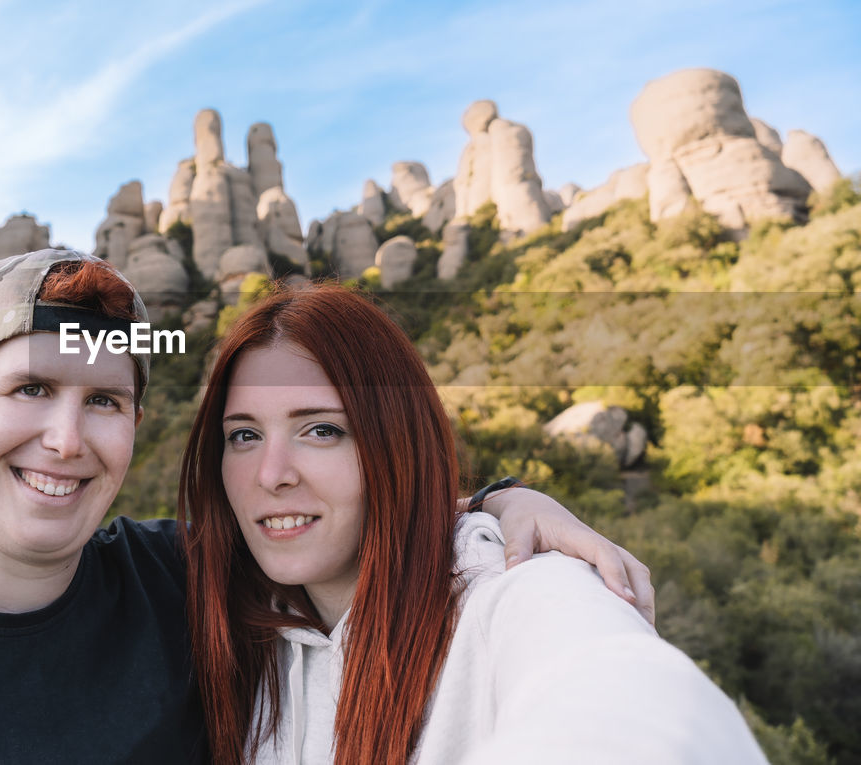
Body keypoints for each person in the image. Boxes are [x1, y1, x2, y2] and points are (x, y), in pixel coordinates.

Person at [0, 249, 654, 763]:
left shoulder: (178, 576)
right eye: (31, 391)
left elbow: (329, 505)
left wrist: (506, 498)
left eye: (104, 401)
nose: (65, 438)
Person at [179, 283, 768, 765]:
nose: (270, 473)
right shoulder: (230, 617)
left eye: (322, 430)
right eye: (244, 436)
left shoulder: (519, 588)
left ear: (396, 443)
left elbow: (650, 712)